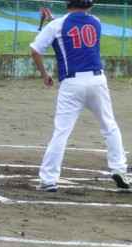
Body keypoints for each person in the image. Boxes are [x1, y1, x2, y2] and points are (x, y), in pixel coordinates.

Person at [30, 0, 129, 192]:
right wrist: (52, 21)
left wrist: (45, 74)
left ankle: (48, 180)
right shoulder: (96, 21)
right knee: (110, 126)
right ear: (89, 6)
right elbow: (75, 30)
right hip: (97, 81)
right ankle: (119, 169)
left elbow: (36, 51)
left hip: (71, 85)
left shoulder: (56, 26)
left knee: (61, 132)